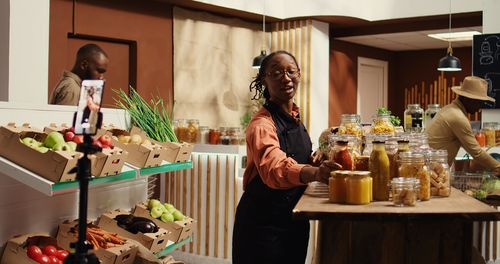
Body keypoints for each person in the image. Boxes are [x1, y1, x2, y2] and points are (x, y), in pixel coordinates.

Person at [232, 50, 341, 264]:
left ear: (299, 74)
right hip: (262, 225)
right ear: (264, 80)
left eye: (291, 71)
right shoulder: (261, 124)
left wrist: (313, 160)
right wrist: (316, 173)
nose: (286, 78)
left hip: (293, 219)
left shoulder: (294, 118)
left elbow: (293, 157)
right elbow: (275, 168)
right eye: (276, 73)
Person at [426, 76, 499, 175]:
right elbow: (477, 153)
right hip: (432, 171)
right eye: (479, 102)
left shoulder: (449, 109)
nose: (480, 108)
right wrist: (498, 167)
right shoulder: (458, 117)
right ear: (470, 100)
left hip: (431, 168)